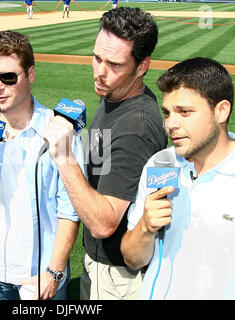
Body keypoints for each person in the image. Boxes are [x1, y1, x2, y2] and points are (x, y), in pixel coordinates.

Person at [121, 57, 235, 300]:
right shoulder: (159, 164)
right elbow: (132, 260)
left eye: (184, 112)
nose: (171, 124)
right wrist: (145, 226)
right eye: (167, 113)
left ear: (221, 111)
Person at [0, 30, 83, 300]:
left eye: (8, 77)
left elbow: (69, 210)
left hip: (39, 277)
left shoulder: (58, 129)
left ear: (30, 74)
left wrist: (54, 272)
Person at [43, 7, 167, 300]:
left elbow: (104, 223)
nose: (100, 72)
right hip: (104, 267)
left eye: (114, 64)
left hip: (117, 276)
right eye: (97, 57)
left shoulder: (136, 128)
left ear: (142, 66)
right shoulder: (114, 94)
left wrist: (63, 156)